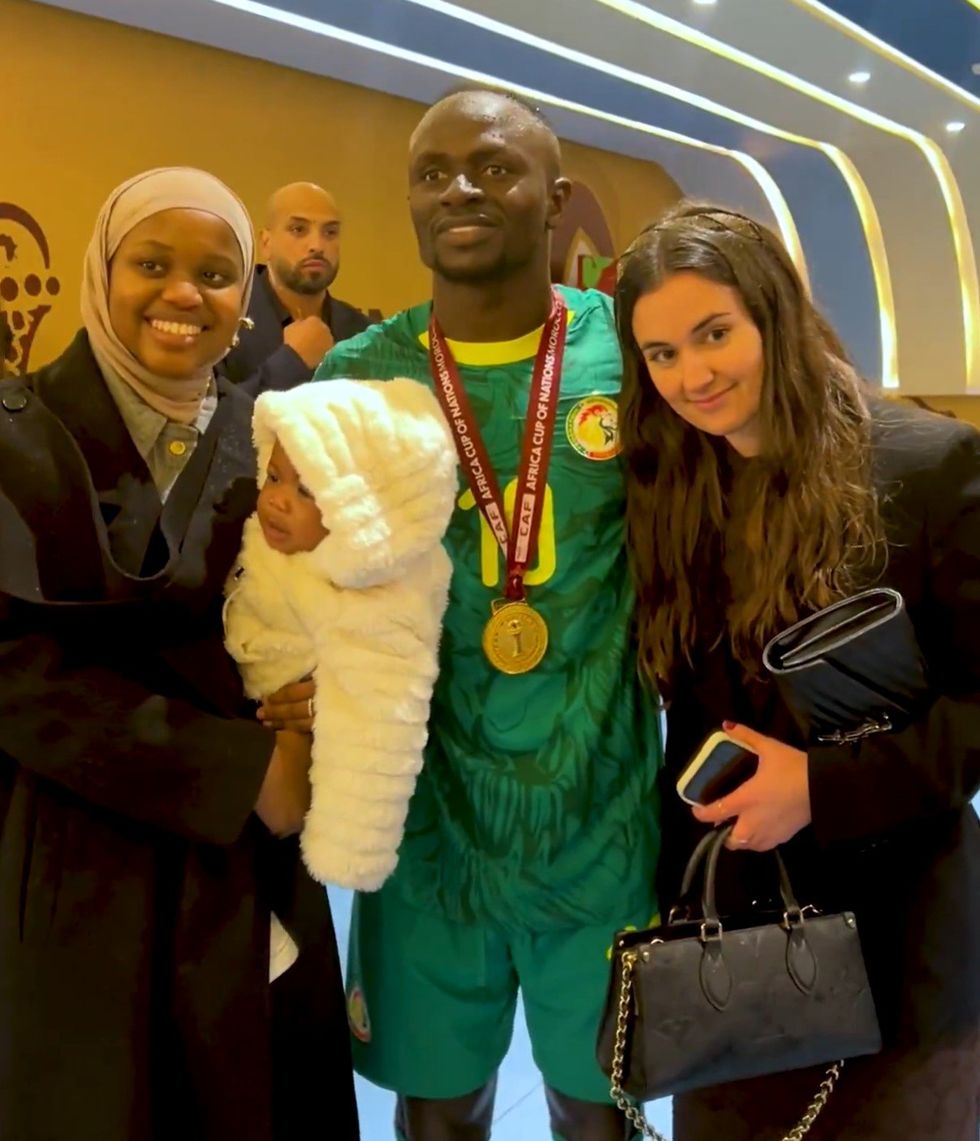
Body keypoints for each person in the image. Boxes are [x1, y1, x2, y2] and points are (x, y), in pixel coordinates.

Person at [310, 86, 663, 1141]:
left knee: (599, 1109)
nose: (459, 188)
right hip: (426, 831)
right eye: (432, 172)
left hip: (600, 821)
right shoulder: (357, 378)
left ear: (553, 198)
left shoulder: (631, 355)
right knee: (436, 1112)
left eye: (493, 167)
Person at [0, 167, 359, 1141]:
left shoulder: (266, 438)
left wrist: (328, 683)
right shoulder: (19, 433)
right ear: (102, 270)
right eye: (152, 264)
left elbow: (330, 588)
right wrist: (243, 771)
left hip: (246, 867)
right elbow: (14, 673)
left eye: (214, 272)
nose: (183, 294)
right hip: (84, 849)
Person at [616, 201, 980, 1140]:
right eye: (661, 354)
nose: (692, 375)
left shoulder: (925, 467)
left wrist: (821, 785)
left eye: (714, 333)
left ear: (773, 312)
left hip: (903, 946)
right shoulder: (675, 490)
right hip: (733, 957)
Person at [223, 376, 456, 898]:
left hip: (298, 751)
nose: (277, 501)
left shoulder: (378, 605)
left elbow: (377, 731)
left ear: (366, 510)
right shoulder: (265, 536)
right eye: (275, 477)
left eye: (308, 490)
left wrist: (350, 849)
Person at [222, 182, 371, 392]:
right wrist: (291, 363)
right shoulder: (224, 318)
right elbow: (210, 418)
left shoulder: (362, 333)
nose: (317, 246)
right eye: (298, 229)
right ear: (266, 242)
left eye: (330, 232)